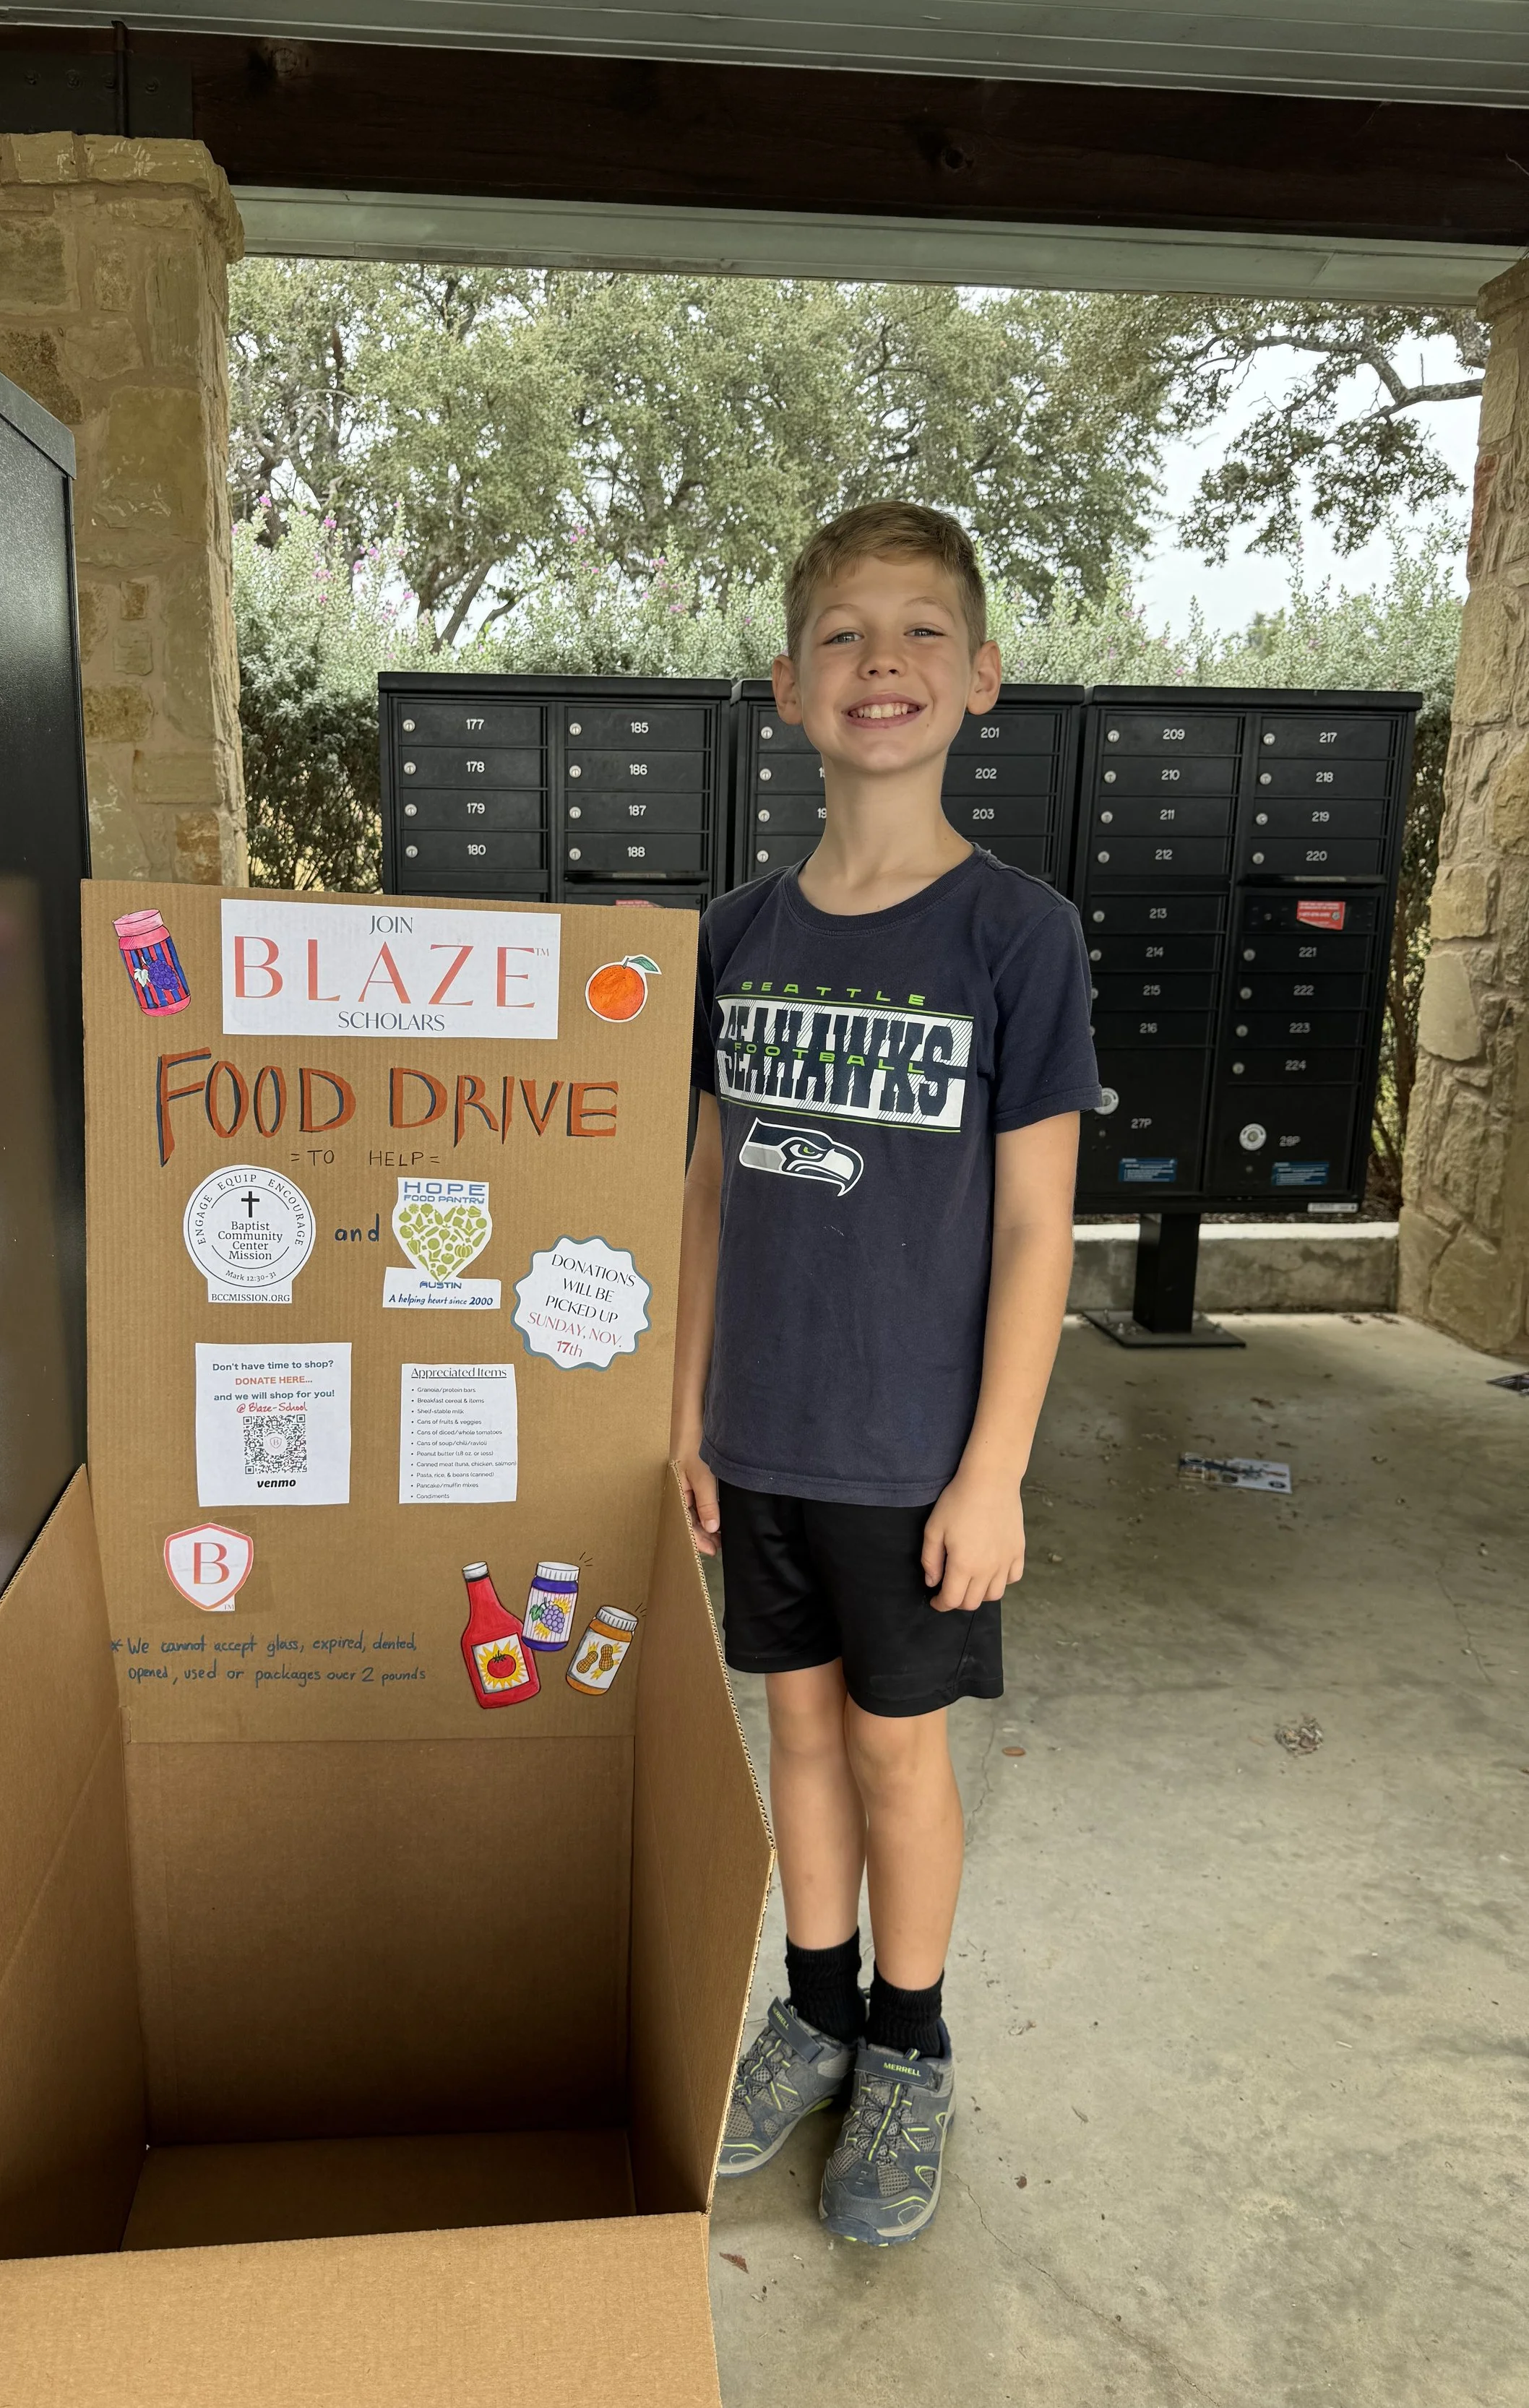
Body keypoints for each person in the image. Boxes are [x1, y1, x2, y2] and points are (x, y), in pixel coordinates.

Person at [674, 499, 1098, 2246]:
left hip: (913, 1455)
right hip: (759, 1433)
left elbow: (1032, 1232)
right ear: (785, 687)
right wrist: (678, 1409)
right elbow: (703, 1188)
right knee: (790, 1727)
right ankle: (819, 2005)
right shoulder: (733, 932)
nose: (882, 664)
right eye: (844, 634)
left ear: (979, 678)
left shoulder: (1014, 933)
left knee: (895, 1750)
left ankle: (909, 2047)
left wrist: (993, 1463)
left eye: (922, 631)